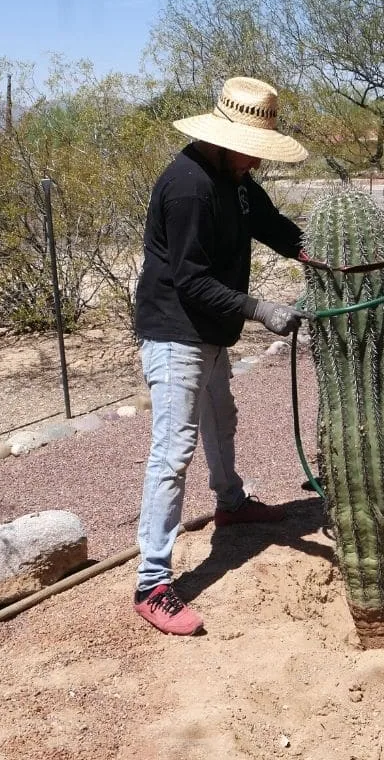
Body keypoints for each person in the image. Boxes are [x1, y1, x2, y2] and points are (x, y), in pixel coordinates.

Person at [132, 76, 309, 636]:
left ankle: (230, 501)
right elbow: (190, 280)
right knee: (173, 448)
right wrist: (262, 308)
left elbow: (272, 225)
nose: (258, 159)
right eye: (252, 147)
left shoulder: (234, 177)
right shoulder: (189, 186)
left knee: (221, 417)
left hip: (210, 330)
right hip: (175, 331)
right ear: (225, 137)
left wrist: (319, 252)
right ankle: (152, 582)